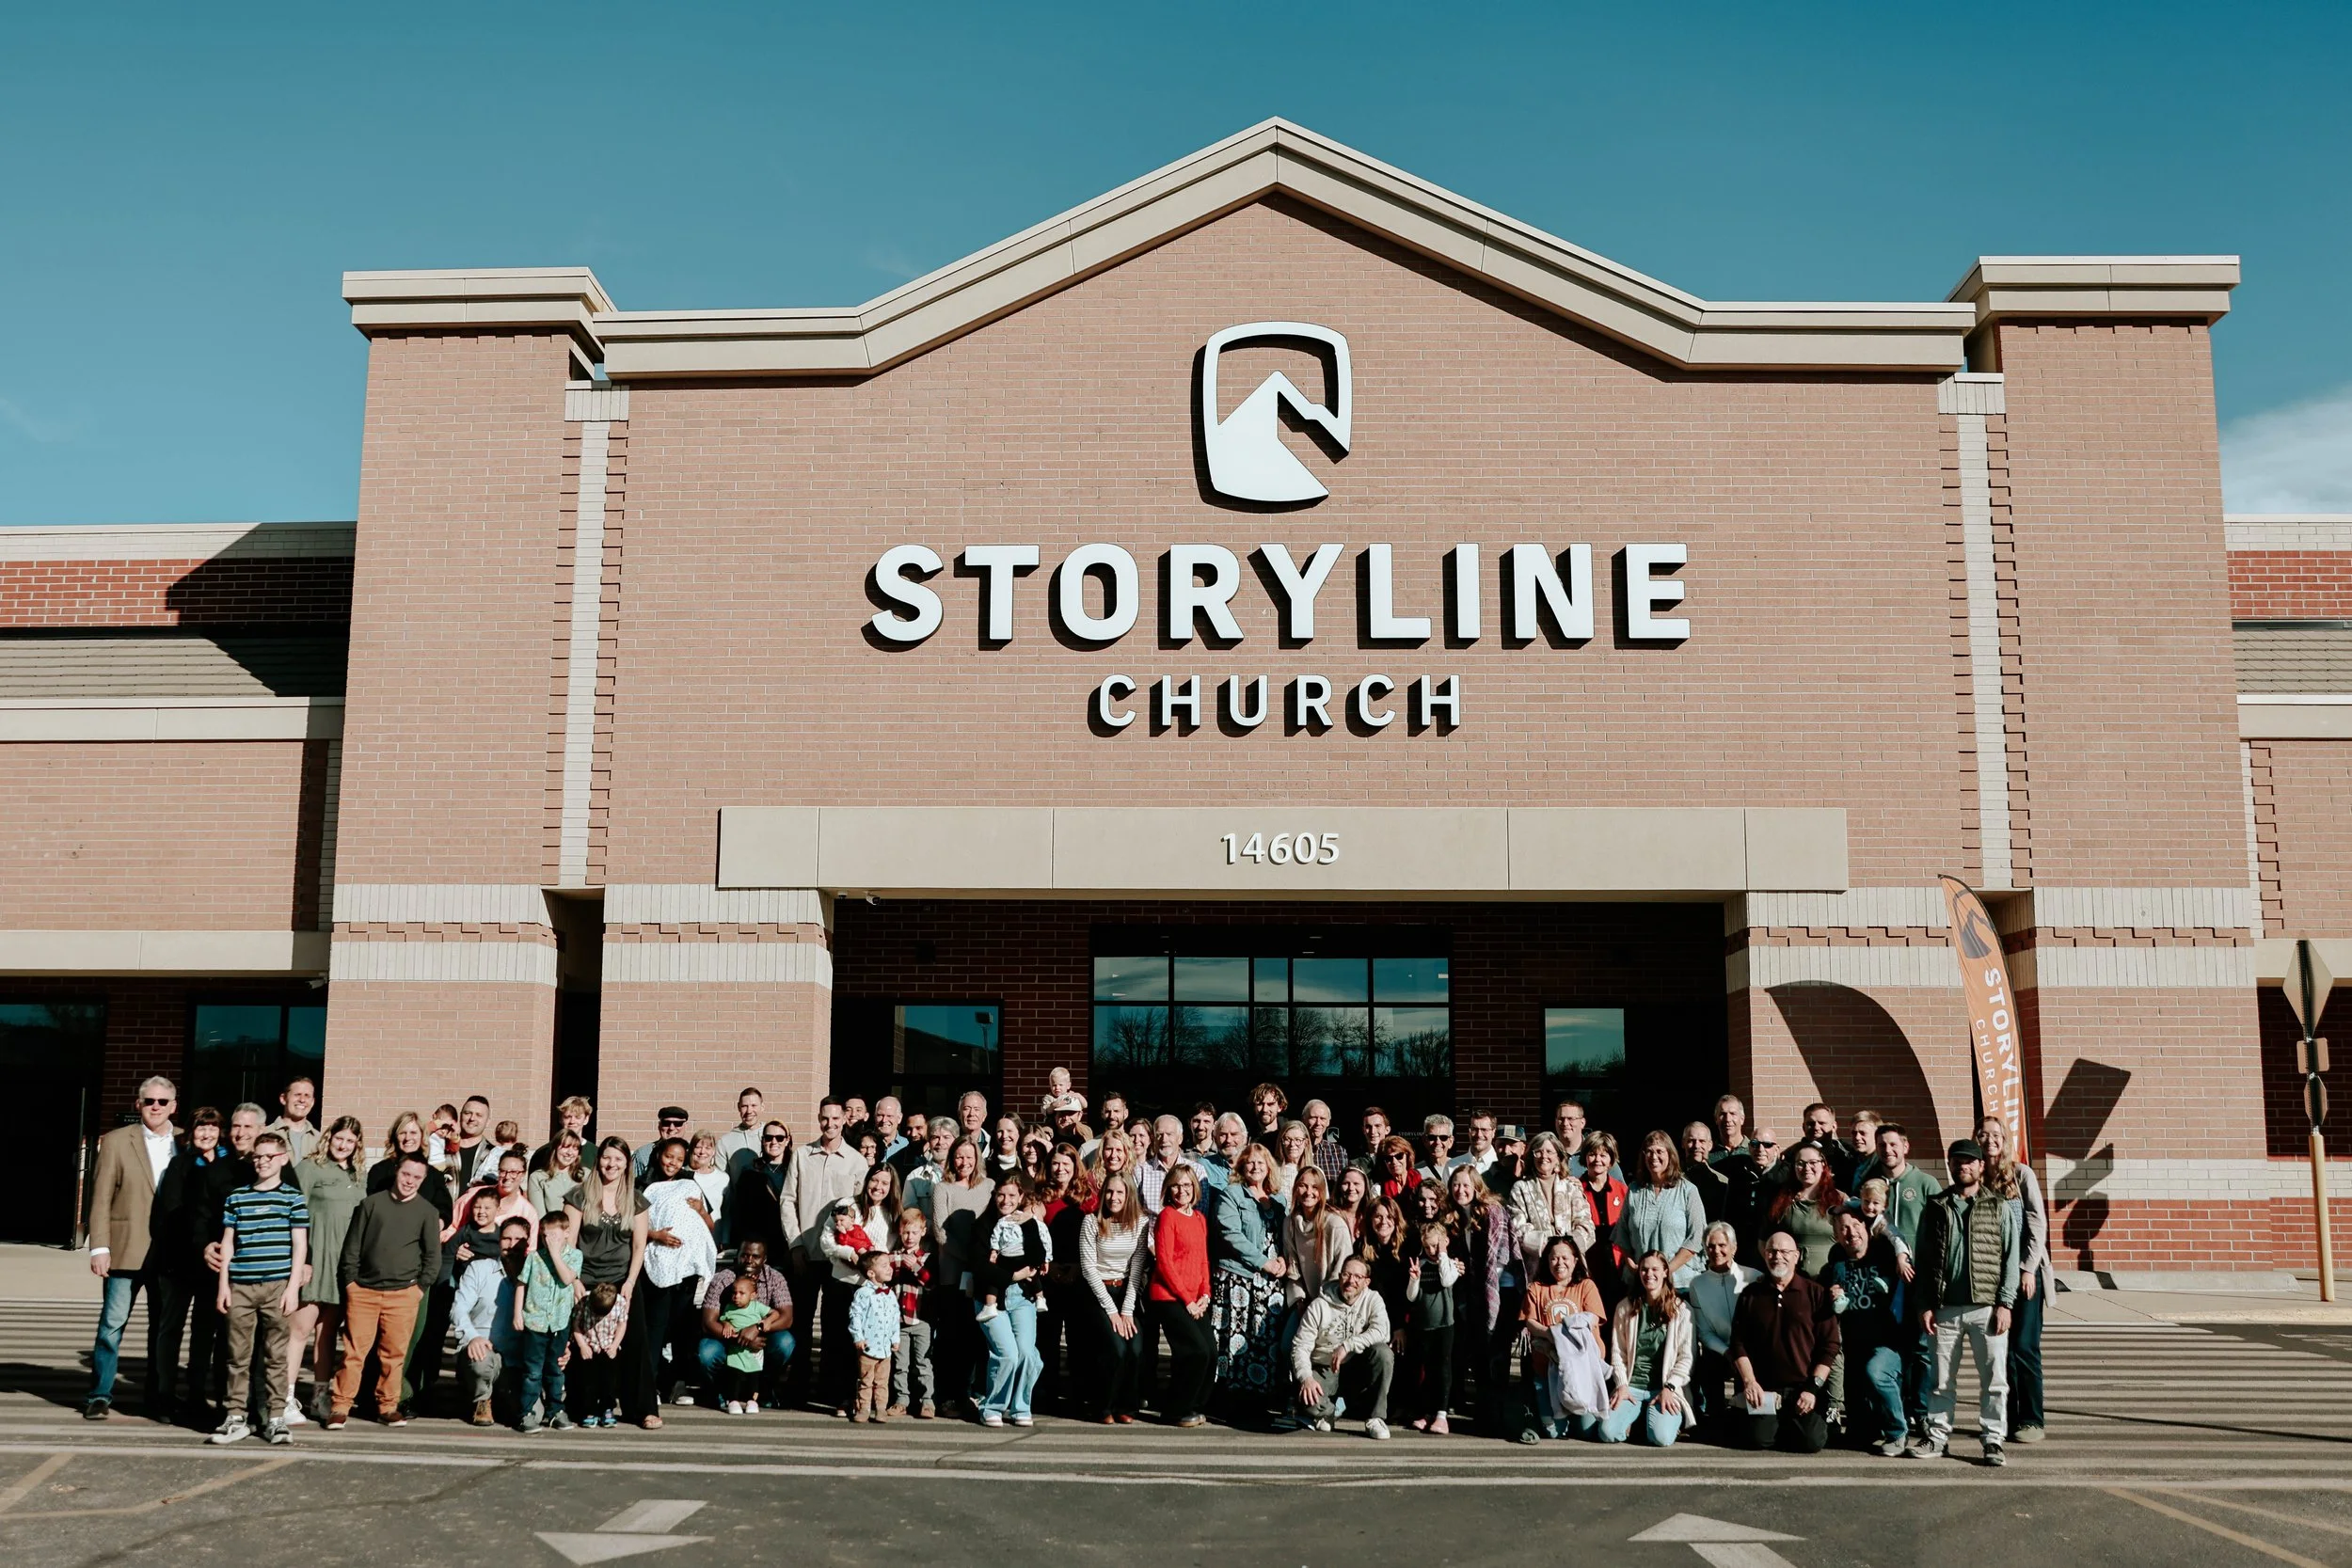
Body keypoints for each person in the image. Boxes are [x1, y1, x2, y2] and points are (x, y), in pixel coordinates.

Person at [1913, 1138, 2019, 1466]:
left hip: (1986, 1308)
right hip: (1944, 1308)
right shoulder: (1935, 1206)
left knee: (1994, 1380)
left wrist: (2005, 1303)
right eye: (1957, 1161)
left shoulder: (1998, 1205)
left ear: (1981, 1166)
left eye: (1970, 1161)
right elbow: (1924, 1257)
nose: (1964, 1166)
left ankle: (1993, 1440)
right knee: (1941, 1380)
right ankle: (1937, 1436)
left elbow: (2010, 1258)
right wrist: (1925, 1303)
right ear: (1950, 1165)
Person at [83, 1075, 179, 1422]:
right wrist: (99, 1247)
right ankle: (99, 1394)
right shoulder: (117, 1141)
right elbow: (102, 1195)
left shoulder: (185, 1142)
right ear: (138, 1105)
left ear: (173, 1105)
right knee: (112, 1325)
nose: (156, 1107)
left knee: (163, 1329)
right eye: (149, 1101)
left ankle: (157, 1398)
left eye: (162, 1102)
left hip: (168, 1255)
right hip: (124, 1250)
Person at [209, 1131, 310, 1447]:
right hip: (241, 1285)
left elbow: (299, 1246)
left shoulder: (293, 1198)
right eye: (258, 1156)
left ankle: (276, 1418)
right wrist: (223, 1285)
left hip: (277, 1286)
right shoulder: (237, 1197)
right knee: (237, 1355)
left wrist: (293, 1289)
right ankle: (235, 1416)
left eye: (270, 1156)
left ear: (282, 1159)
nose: (263, 1162)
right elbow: (227, 1243)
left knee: (275, 1356)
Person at [328, 1150, 442, 1430]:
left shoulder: (427, 1212)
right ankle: (340, 1406)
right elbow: (352, 1247)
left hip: (403, 1294)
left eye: (417, 1177)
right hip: (364, 1292)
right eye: (406, 1174)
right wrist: (351, 1283)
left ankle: (388, 1406)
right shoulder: (371, 1205)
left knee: (394, 1354)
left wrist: (419, 1288)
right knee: (354, 1352)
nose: (410, 1181)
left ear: (423, 1179)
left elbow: (432, 1256)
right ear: (396, 1173)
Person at [777, 1098, 866, 1408]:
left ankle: (830, 1387)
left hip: (838, 1257)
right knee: (800, 1322)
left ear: (844, 1120)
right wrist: (795, 1244)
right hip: (806, 1251)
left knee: (835, 1323)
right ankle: (798, 1385)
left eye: (836, 1118)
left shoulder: (855, 1162)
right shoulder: (802, 1156)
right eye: (825, 1118)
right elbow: (788, 1200)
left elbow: (860, 1211)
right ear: (819, 1119)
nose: (830, 1124)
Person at [564, 1137, 653, 1427]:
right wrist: (574, 1279)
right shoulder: (578, 1196)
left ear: (627, 1164)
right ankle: (581, 1406)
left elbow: (639, 1246)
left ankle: (643, 1409)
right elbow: (569, 1242)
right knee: (584, 1345)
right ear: (598, 1159)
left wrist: (630, 1282)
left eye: (618, 1159)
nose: (611, 1164)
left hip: (621, 1281)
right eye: (606, 1158)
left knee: (635, 1344)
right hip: (586, 1279)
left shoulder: (636, 1200)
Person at [147, 1106, 225, 1427]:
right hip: (178, 1262)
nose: (206, 1134)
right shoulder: (179, 1166)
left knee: (205, 1333)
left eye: (212, 1128)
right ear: (191, 1133)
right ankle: (164, 1395)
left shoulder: (228, 1166)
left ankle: (195, 1394)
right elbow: (171, 1213)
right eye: (200, 1128)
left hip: (211, 1265)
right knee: (170, 1328)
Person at [1730, 1231, 1838, 1453]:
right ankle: (1773, 1424)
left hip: (1803, 1390)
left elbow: (1830, 1346)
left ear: (1796, 1256)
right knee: (1757, 1441)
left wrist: (1812, 1389)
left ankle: (1788, 1423)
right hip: (1765, 1391)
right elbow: (1738, 1343)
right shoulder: (1750, 1295)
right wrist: (1750, 1383)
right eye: (1772, 1251)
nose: (1778, 1256)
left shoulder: (1815, 1294)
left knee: (1811, 1442)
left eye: (1784, 1252)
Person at [290, 1116, 366, 1426]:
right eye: (340, 1138)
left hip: (341, 1265)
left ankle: (319, 1397)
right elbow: (293, 1212)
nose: (344, 1145)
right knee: (299, 1330)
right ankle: (284, 1397)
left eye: (350, 1141)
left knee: (327, 1334)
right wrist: (301, 1261)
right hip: (313, 1260)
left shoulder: (359, 1174)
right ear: (329, 1137)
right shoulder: (309, 1168)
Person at [1979, 1115, 2049, 1445]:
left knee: (2024, 1347)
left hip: (2025, 1277)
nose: (1990, 1139)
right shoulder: (1978, 1179)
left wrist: (2027, 1268)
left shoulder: (2021, 1175)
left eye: (1996, 1135)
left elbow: (2037, 1223)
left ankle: (2032, 1419)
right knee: (2000, 1351)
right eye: (1983, 1134)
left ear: (2005, 1141)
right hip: (1993, 1278)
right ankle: (2006, 1419)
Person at [1210, 1142, 1289, 1417]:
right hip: (1238, 1278)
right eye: (1250, 1163)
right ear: (1242, 1167)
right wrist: (1263, 1262)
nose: (1255, 1167)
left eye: (1261, 1162)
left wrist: (1282, 1261)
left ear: (1269, 1167)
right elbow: (1230, 1233)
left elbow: (1285, 1237)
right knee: (1234, 1338)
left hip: (1270, 1283)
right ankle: (1230, 1399)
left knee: (1263, 1340)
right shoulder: (1232, 1194)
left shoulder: (1279, 1200)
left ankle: (1260, 1398)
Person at [640, 1137, 719, 1409]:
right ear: (659, 1154)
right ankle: (649, 1386)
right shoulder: (643, 1184)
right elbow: (632, 1224)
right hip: (657, 1265)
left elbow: (708, 1225)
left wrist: (699, 1210)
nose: (672, 1163)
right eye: (668, 1156)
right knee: (656, 1328)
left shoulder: (689, 1184)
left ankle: (676, 1382)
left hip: (687, 1268)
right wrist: (655, 1235)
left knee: (682, 1327)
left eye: (678, 1158)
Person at [1823, 1209, 1908, 1455]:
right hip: (1855, 1340)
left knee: (1876, 1372)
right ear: (1837, 1235)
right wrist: (1833, 1295)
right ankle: (1867, 1428)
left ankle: (1898, 1432)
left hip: (1889, 1339)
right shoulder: (1836, 1261)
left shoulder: (1885, 1255)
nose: (1851, 1232)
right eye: (1843, 1228)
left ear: (1866, 1227)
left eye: (1856, 1225)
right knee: (1857, 1389)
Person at [819, 1162, 901, 1412]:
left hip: (871, 1289)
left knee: (867, 1345)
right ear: (866, 1181)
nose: (878, 1187)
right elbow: (826, 1241)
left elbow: (887, 1252)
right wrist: (849, 1254)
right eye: (874, 1181)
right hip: (843, 1283)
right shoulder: (848, 1205)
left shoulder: (892, 1214)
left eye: (885, 1183)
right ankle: (840, 1397)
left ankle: (865, 1398)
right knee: (839, 1341)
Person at [926, 1137, 994, 1412]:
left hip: (981, 1276)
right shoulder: (942, 1188)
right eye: (959, 1157)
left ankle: (971, 1393)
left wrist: (982, 1262)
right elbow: (941, 1233)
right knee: (951, 1337)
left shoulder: (989, 1187)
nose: (964, 1162)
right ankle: (947, 1395)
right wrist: (970, 1259)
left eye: (969, 1157)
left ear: (977, 1159)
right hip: (953, 1274)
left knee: (977, 1337)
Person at [1290, 1256, 1392, 1439]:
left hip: (1356, 1366)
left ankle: (1375, 1418)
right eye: (1346, 1274)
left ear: (1366, 1282)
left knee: (1383, 1353)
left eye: (1357, 1277)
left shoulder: (1373, 1299)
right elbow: (1300, 1346)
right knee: (1309, 1400)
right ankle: (1327, 1410)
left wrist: (1348, 1345)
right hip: (1325, 1368)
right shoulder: (1319, 1306)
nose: (1351, 1281)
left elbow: (1383, 1331)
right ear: (1339, 1276)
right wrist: (1306, 1378)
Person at [1518, 1234, 1608, 1442]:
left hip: (1582, 1372)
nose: (1560, 1263)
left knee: (1586, 1431)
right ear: (1546, 1261)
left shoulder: (1586, 1286)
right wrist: (1553, 1334)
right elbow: (1530, 1322)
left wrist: (1561, 1335)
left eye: (1565, 1258)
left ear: (1575, 1260)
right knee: (1553, 1433)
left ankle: (1578, 1417)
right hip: (1548, 1368)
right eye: (1554, 1258)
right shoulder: (1536, 1289)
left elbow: (1592, 1318)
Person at [1079, 1173, 1152, 1424]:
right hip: (1098, 1292)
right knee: (1116, 1348)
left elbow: (1137, 1266)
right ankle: (1103, 1405)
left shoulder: (1141, 1223)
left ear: (1129, 1195)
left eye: (1120, 1192)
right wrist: (1111, 1311)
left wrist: (1127, 1310)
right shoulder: (1091, 1222)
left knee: (1135, 1346)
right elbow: (1088, 1268)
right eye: (1109, 1192)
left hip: (1126, 1292)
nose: (1114, 1197)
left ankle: (1127, 1405)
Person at [1445, 1164, 1513, 1431]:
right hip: (1463, 1291)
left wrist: (1487, 1278)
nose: (1460, 1190)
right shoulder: (1449, 1216)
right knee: (1465, 1348)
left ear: (1476, 1187)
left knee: (1490, 1350)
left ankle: (1493, 1409)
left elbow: (1503, 1252)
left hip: (1491, 1288)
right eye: (1456, 1185)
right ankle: (1461, 1402)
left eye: (1465, 1185)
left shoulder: (1493, 1212)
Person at [1599, 1252, 1692, 1446]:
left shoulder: (1681, 1310)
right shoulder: (1625, 1308)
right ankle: (1636, 1417)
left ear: (1665, 1272)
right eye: (1644, 1269)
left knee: (1661, 1438)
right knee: (1607, 1433)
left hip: (1663, 1388)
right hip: (1632, 1386)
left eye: (1655, 1269)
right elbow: (1618, 1353)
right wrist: (1622, 1385)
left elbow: (1686, 1358)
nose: (1649, 1274)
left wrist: (1670, 1387)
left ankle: (1648, 1422)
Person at [975, 1177, 1046, 1427]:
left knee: (1027, 1353)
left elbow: (1038, 1256)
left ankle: (1020, 1406)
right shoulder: (984, 1225)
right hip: (991, 1297)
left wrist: (1029, 1226)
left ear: (1021, 1198)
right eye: (1001, 1195)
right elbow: (982, 1267)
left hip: (1022, 1297)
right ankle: (992, 1405)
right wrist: (1014, 1274)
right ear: (994, 1196)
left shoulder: (1027, 1222)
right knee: (1008, 1354)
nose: (1006, 1201)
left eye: (1012, 1196)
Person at [1149, 1164, 1215, 1428]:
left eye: (1187, 1185)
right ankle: (1176, 1408)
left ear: (1195, 1188)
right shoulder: (1167, 1216)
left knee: (1210, 1351)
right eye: (1176, 1185)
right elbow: (1164, 1262)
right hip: (1169, 1296)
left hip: (1196, 1298)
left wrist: (1205, 1294)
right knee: (1194, 1351)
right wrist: (1187, 1300)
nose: (1182, 1190)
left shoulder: (1199, 1218)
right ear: (1168, 1189)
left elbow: (1202, 1261)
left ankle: (1195, 1404)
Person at [696, 1238, 794, 1410]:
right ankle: (723, 1390)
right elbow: (708, 1322)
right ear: (737, 1257)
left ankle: (764, 1389)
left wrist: (757, 1329)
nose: (749, 1260)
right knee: (707, 1352)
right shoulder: (723, 1279)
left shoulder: (775, 1278)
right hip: (727, 1339)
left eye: (755, 1256)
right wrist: (740, 1339)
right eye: (745, 1255)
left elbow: (786, 1317)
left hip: (762, 1340)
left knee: (785, 1343)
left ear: (764, 1260)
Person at [451, 1214, 528, 1427]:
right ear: (499, 1240)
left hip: (517, 1358)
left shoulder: (536, 1274)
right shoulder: (479, 1269)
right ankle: (481, 1399)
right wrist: (472, 1337)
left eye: (518, 1240)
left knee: (533, 1415)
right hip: (483, 1351)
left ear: (528, 1243)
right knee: (482, 1361)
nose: (511, 1245)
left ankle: (504, 1397)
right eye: (506, 1239)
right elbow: (458, 1308)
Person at [514, 1208, 580, 1432]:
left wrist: (555, 1253)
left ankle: (555, 1410)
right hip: (535, 1320)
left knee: (555, 1369)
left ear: (566, 1234)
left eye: (553, 1236)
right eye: (544, 1236)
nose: (547, 1240)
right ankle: (527, 1412)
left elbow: (567, 1277)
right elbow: (522, 1284)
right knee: (533, 1370)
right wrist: (517, 1313)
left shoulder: (574, 1256)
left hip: (560, 1322)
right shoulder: (534, 1258)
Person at [1687, 1222, 1757, 1433]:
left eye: (1722, 1245)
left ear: (1734, 1247)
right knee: (1708, 1364)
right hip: (1720, 1350)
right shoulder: (1697, 1284)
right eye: (1710, 1246)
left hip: (1748, 1349)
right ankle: (1715, 1416)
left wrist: (1740, 1354)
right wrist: (1727, 1352)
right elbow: (1704, 1331)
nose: (1716, 1251)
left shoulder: (1753, 1277)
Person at [1619, 1130, 1708, 1292]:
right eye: (1649, 1152)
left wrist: (1666, 1270)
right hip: (1641, 1283)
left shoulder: (1688, 1191)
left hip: (1679, 1284)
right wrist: (1631, 1264)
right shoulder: (1634, 1191)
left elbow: (1696, 1237)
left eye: (1659, 1151)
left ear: (1670, 1155)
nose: (1654, 1157)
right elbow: (1622, 1233)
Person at [1507, 1132, 1596, 1279]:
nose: (1543, 1156)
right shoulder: (1520, 1188)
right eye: (1538, 1152)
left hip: (1571, 1266)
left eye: (1549, 1152)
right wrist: (1550, 1248)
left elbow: (1586, 1224)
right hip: (1537, 1268)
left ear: (1558, 1158)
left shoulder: (1570, 1186)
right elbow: (1518, 1229)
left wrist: (1566, 1249)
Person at [1401, 1219, 1460, 1433]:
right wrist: (1414, 1280)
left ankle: (1441, 1414)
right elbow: (1411, 1297)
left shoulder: (1450, 1264)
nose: (1431, 1250)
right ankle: (1425, 1412)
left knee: (1442, 1368)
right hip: (1422, 1325)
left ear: (1445, 1242)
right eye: (1427, 1246)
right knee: (1423, 1369)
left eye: (1436, 1245)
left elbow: (1446, 1281)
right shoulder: (1421, 1264)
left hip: (1444, 1325)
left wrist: (1443, 1254)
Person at [1768, 1142, 1847, 1277]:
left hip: (1832, 1278)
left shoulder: (1839, 1199)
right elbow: (1765, 1240)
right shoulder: (1782, 1200)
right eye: (1800, 1163)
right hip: (1794, 1280)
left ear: (1823, 1165)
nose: (1806, 1168)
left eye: (1813, 1162)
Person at [885, 1209, 935, 1418]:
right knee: (900, 1363)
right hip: (898, 1321)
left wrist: (915, 1267)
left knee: (923, 1362)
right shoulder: (893, 1257)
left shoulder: (927, 1257)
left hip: (920, 1320)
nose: (909, 1237)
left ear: (923, 1232)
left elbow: (931, 1282)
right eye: (906, 1233)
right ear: (899, 1232)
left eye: (914, 1233)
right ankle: (901, 1399)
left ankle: (927, 1401)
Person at [845, 1249, 902, 1422]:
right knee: (865, 1380)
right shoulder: (863, 1293)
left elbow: (894, 1317)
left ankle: (881, 1408)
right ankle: (863, 1407)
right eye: (884, 1266)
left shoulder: (890, 1294)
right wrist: (858, 1337)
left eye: (889, 1265)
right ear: (871, 1273)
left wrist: (895, 1338)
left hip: (885, 1348)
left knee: (882, 1382)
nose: (889, 1268)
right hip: (868, 1346)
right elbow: (855, 1315)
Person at [727, 1119, 795, 1260]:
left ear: (787, 1140)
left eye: (780, 1138)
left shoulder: (794, 1169)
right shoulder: (750, 1171)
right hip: (758, 1243)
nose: (774, 1142)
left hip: (787, 1240)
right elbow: (740, 1211)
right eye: (769, 1137)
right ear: (763, 1140)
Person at [1577, 1132, 1629, 1307]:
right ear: (1585, 1158)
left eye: (1603, 1155)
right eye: (1592, 1154)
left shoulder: (1622, 1191)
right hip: (1588, 1263)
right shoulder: (1575, 1189)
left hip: (1618, 1265)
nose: (1597, 1160)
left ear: (1611, 1160)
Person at [569, 1281, 628, 1426]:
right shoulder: (586, 1301)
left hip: (608, 1346)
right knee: (588, 1382)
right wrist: (582, 1345)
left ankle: (607, 1408)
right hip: (589, 1345)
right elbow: (575, 1324)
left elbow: (622, 1324)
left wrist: (615, 1345)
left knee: (609, 1381)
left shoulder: (620, 1302)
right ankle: (589, 1410)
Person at [714, 1275, 771, 1415]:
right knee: (735, 1376)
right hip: (736, 1350)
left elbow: (774, 1313)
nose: (736, 1296)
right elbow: (722, 1319)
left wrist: (766, 1322)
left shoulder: (757, 1307)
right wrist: (726, 1324)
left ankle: (752, 1401)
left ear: (752, 1296)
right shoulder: (729, 1307)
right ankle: (733, 1400)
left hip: (753, 1352)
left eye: (741, 1293)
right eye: (734, 1293)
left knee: (754, 1377)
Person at [1680, 1121, 1732, 1227]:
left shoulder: (1722, 1181)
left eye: (1702, 1141)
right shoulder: (1673, 1179)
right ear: (1683, 1143)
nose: (1696, 1146)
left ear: (1710, 1145)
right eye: (1691, 1141)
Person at [1137, 1115, 1192, 1213]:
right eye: (1159, 1134)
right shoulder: (1140, 1171)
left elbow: (1201, 1214)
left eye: (1169, 1134)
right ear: (1153, 1139)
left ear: (1180, 1138)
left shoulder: (1196, 1171)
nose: (1164, 1139)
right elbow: (1135, 1213)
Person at [530, 1096, 595, 1175]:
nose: (572, 1121)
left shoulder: (595, 1153)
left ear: (586, 1119)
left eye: (577, 1117)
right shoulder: (544, 1152)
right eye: (567, 1117)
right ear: (560, 1119)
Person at [530, 1131, 586, 1218]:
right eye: (565, 1147)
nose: (570, 1153)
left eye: (575, 1148)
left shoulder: (586, 1175)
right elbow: (539, 1217)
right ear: (555, 1148)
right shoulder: (537, 1177)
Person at [450, 1096, 501, 1189]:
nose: (472, 1118)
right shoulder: (442, 1148)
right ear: (460, 1116)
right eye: (467, 1113)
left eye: (479, 1115)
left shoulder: (493, 1155)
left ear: (488, 1122)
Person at [266, 1078, 320, 1163]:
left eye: (307, 1096)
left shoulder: (319, 1140)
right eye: (297, 1095)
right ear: (283, 1099)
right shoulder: (266, 1134)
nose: (302, 1100)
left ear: (312, 1102)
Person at [631, 1107, 691, 1180]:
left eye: (678, 1124)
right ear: (659, 1125)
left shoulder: (694, 1153)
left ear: (686, 1126)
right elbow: (632, 1185)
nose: (671, 1128)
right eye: (666, 1123)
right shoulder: (642, 1154)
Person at [716, 1087, 766, 1175]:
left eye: (754, 1105)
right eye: (744, 1106)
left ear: (762, 1107)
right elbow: (721, 1181)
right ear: (739, 1107)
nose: (749, 1111)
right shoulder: (725, 1142)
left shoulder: (774, 1137)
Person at [1303, 1100, 1348, 1185]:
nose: (1318, 1123)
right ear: (1303, 1119)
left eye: (1322, 1119)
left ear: (1328, 1122)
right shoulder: (1295, 1149)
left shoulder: (1339, 1152)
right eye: (1313, 1118)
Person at [1272, 1120, 1312, 1206]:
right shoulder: (1272, 1169)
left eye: (1298, 1140)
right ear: (1281, 1142)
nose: (1292, 1144)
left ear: (1306, 1143)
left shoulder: (1315, 1171)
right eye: (1287, 1139)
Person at [1372, 1135, 1421, 1201]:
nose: (1394, 1162)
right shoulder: (1378, 1189)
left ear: (1407, 1156)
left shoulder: (1421, 1182)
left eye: (1399, 1156)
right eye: (1388, 1158)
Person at [1418, 1114, 1462, 1185]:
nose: (1437, 1142)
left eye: (1443, 1137)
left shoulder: (1460, 1169)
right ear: (1424, 1140)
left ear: (1450, 1141)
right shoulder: (1416, 1172)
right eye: (1432, 1137)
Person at [1711, 1096, 1752, 1164]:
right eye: (1723, 1114)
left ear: (1742, 1119)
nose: (1727, 1119)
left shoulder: (1754, 1151)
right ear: (1716, 1119)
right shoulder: (1708, 1152)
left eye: (1733, 1114)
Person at [1354, 1107, 1392, 1174]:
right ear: (1363, 1130)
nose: (1373, 1131)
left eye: (1377, 1126)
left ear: (1387, 1130)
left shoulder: (1396, 1157)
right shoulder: (1355, 1162)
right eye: (1368, 1127)